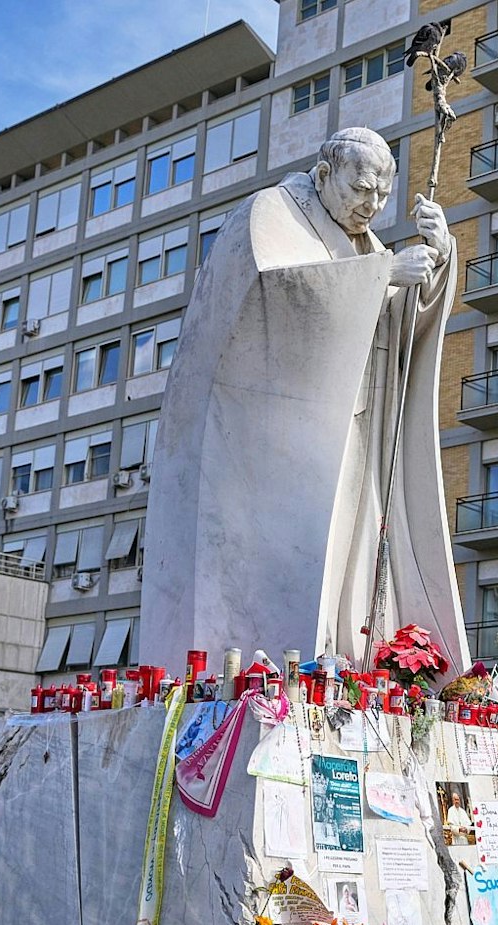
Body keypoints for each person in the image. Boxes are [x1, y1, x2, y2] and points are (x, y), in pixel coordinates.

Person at [141, 126, 467, 674]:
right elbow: (270, 293)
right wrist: (384, 274)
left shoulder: (368, 247)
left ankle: (346, 663)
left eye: (383, 195)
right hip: (275, 449)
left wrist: (437, 262)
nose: (372, 205)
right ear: (324, 175)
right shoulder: (271, 214)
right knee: (295, 570)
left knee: (352, 568)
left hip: (356, 426)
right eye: (361, 189)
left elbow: (395, 332)